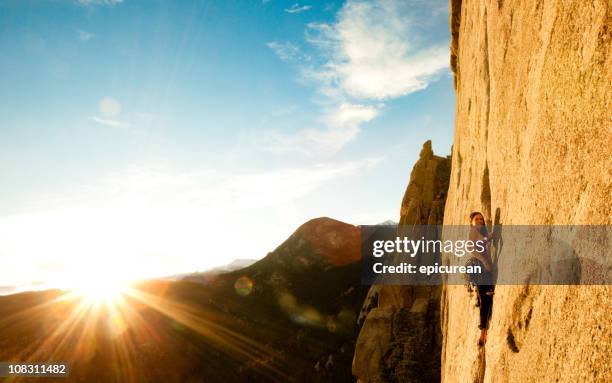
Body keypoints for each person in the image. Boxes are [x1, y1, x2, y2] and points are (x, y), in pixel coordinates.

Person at [467, 211, 496, 346]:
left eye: (481, 219)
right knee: (486, 298)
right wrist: (490, 237)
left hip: (479, 267)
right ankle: (483, 331)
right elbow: (473, 247)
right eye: (476, 219)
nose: (479, 221)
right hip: (480, 267)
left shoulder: (478, 231)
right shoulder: (474, 231)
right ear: (471, 222)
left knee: (484, 297)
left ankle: (483, 328)